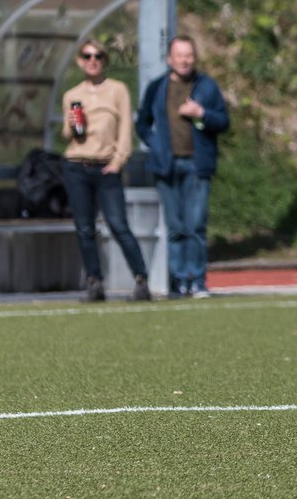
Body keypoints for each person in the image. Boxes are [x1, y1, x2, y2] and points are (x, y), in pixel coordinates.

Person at [137, 35, 231, 299]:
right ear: (170, 59)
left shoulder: (207, 87)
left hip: (196, 165)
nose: (184, 60)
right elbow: (142, 123)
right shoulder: (157, 87)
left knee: (196, 226)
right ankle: (179, 280)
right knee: (175, 227)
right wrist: (155, 144)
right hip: (166, 166)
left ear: (194, 57)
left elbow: (223, 121)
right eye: (179, 55)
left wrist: (202, 114)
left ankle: (198, 280)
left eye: (189, 55)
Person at [60, 39, 151, 302]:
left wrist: (119, 161)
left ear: (104, 60)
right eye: (87, 56)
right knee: (85, 228)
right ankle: (94, 282)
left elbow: (125, 130)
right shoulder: (72, 95)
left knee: (118, 225)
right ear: (80, 61)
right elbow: (70, 136)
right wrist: (71, 123)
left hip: (106, 168)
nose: (93, 60)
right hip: (77, 165)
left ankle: (141, 280)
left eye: (98, 55)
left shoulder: (117, 90)